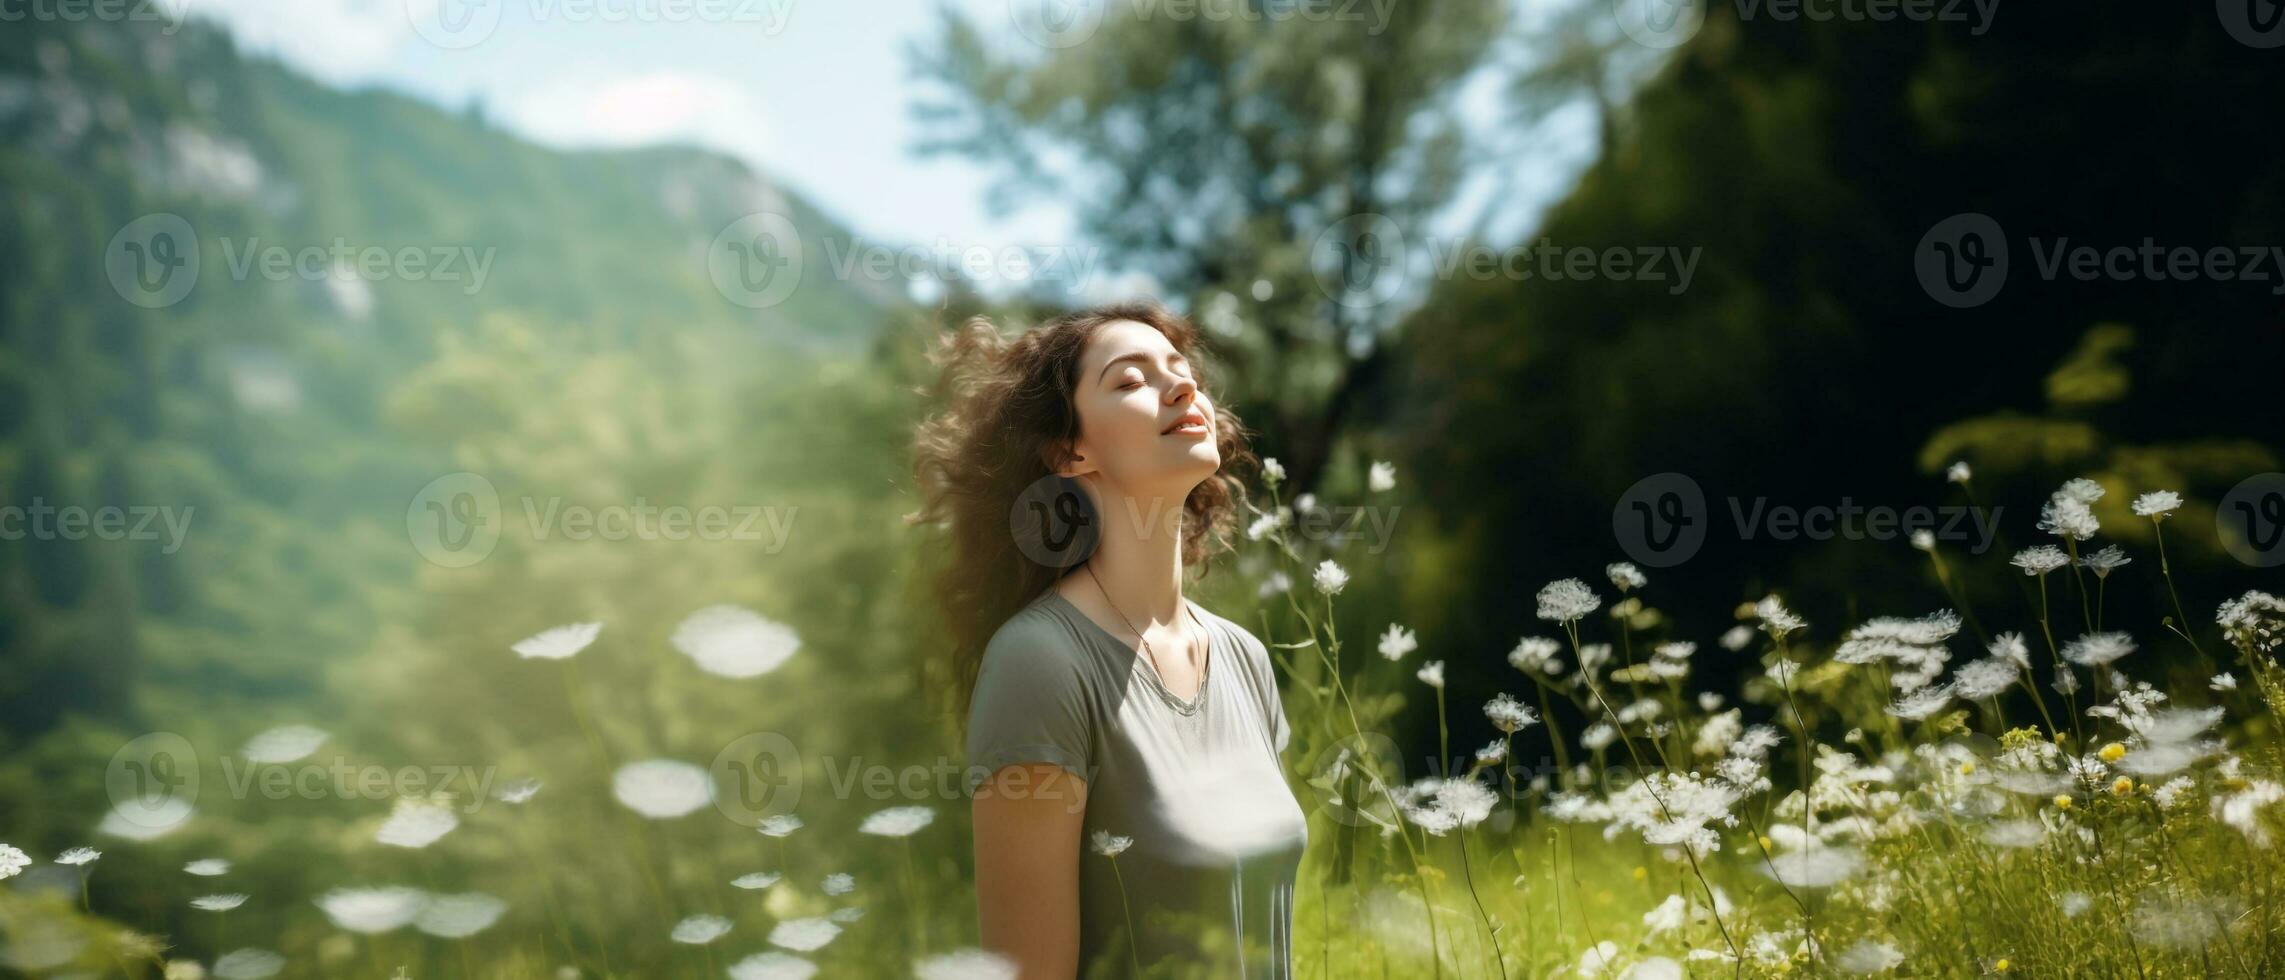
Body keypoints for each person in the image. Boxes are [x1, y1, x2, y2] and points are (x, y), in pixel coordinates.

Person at [910, 302, 1308, 977]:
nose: (1183, 388)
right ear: (1069, 451)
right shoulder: (1039, 662)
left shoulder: (1244, 659)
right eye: (1130, 381)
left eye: (1183, 373)